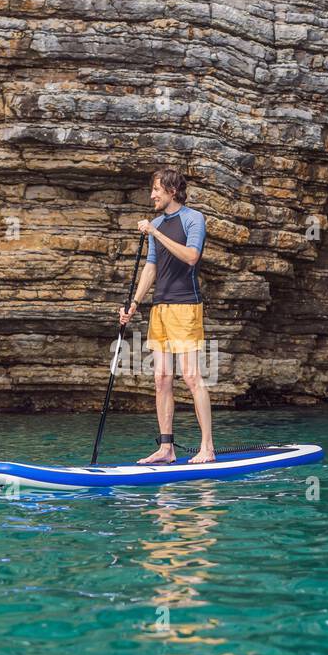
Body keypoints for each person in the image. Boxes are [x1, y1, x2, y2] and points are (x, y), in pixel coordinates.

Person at [118, 168, 215, 464]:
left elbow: (191, 256)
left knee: (190, 376)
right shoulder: (157, 223)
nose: (152, 195)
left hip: (186, 306)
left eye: (157, 190)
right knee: (161, 378)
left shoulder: (193, 219)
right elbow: (151, 267)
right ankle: (166, 448)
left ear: (172, 191)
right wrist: (134, 303)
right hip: (159, 307)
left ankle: (207, 448)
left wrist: (156, 232)